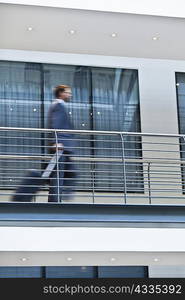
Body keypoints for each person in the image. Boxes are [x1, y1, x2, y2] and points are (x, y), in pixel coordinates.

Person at [47, 84, 76, 202]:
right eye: (68, 92)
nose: (70, 95)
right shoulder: (58, 105)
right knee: (59, 175)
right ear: (61, 93)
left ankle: (59, 198)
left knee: (71, 173)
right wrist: (56, 142)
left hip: (64, 146)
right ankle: (55, 201)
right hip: (61, 146)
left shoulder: (60, 105)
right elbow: (56, 124)